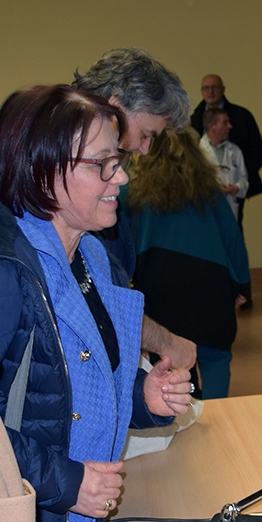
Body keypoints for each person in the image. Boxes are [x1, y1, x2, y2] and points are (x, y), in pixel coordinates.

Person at [0, 84, 194, 522]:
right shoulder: (5, 276)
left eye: (118, 161)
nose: (122, 177)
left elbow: (66, 388)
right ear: (44, 172)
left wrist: (144, 398)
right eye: (103, 165)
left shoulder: (89, 256)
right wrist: (69, 483)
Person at [73, 47, 199, 369]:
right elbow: (94, 296)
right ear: (116, 107)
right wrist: (163, 341)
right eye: (145, 135)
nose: (144, 150)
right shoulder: (59, 164)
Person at [124, 130, 250, 398]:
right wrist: (242, 285)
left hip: (160, 286)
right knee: (215, 356)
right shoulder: (209, 192)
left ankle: (183, 415)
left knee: (170, 359)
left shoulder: (134, 193)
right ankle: (218, 416)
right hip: (210, 283)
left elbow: (123, 241)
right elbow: (233, 241)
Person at [190, 74, 262, 226]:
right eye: (206, 88)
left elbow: (257, 151)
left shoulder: (241, 117)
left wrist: (237, 176)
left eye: (215, 87)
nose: (210, 91)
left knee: (233, 234)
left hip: (233, 192)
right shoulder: (194, 120)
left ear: (223, 89)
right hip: (205, 195)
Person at [199, 107, 248, 221]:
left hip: (230, 208)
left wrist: (237, 187)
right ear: (212, 126)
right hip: (207, 210)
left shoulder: (235, 151)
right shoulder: (198, 153)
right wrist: (213, 188)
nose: (230, 126)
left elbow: (244, 181)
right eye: (225, 123)